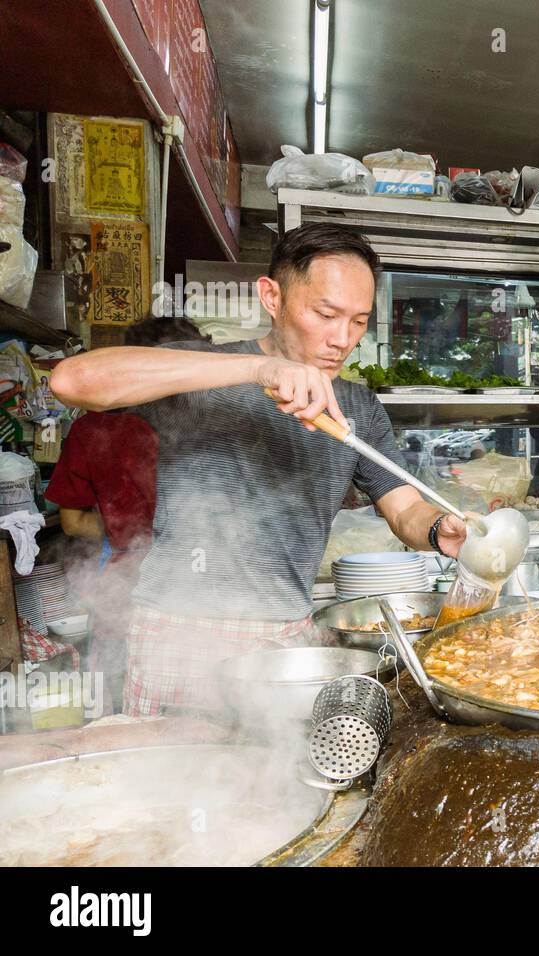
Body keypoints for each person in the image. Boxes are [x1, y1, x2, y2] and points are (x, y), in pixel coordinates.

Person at [49, 222, 473, 716]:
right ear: (271, 297)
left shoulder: (355, 407)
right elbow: (70, 379)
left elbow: (406, 511)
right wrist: (258, 370)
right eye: (325, 314)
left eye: (358, 322)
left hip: (286, 636)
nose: (342, 339)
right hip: (178, 635)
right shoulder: (203, 370)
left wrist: (440, 528)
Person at [44, 315, 211, 711]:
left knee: (127, 708)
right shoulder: (211, 422)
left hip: (126, 586)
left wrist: (126, 528)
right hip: (204, 583)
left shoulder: (94, 428)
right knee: (204, 708)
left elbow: (71, 522)